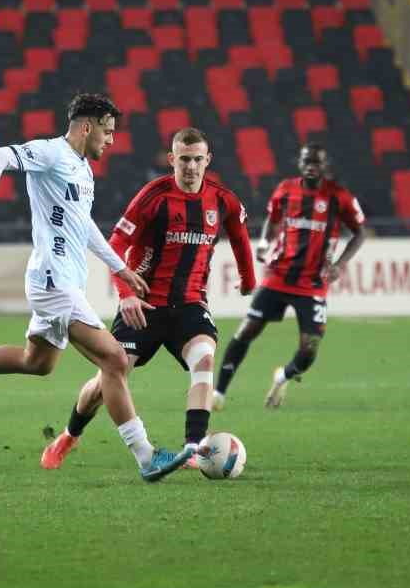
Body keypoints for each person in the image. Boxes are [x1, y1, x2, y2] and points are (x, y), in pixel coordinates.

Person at [0, 94, 195, 482]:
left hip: (60, 281)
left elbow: (84, 227)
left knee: (38, 363)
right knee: (115, 360)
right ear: (87, 126)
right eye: (108, 131)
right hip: (54, 282)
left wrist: (121, 267)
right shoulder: (50, 153)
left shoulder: (83, 172)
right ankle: (146, 456)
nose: (111, 140)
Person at [41, 127, 257, 470]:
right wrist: (126, 294)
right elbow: (115, 245)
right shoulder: (152, 196)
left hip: (189, 304)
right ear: (172, 159)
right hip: (143, 304)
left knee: (203, 359)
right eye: (184, 160)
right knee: (108, 378)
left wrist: (249, 280)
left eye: (197, 160)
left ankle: (192, 447)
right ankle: (69, 435)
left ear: (207, 160)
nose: (190, 167)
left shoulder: (222, 199)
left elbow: (241, 236)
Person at [213, 142, 368, 410]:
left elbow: (360, 232)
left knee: (309, 351)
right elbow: (272, 221)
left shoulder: (338, 197)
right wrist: (263, 244)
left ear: (324, 165)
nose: (311, 166)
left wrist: (340, 264)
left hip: (313, 284)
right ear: (300, 162)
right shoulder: (285, 189)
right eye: (307, 160)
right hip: (279, 275)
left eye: (316, 162)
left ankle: (282, 376)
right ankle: (218, 393)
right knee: (247, 330)